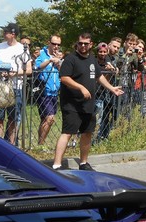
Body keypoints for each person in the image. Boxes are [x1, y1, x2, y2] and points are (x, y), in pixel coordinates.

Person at [52, 33, 123, 171]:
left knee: (87, 132)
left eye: (86, 43)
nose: (83, 46)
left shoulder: (91, 58)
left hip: (88, 104)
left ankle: (83, 163)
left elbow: (99, 76)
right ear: (77, 44)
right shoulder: (71, 59)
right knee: (67, 132)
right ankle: (56, 165)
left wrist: (112, 88)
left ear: (91, 44)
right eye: (80, 43)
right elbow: (64, 78)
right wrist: (80, 87)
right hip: (72, 103)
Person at [0, 23, 31, 145]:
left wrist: (14, 73)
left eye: (6, 32)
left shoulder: (22, 48)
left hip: (16, 87)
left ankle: (11, 144)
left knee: (13, 118)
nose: (4, 34)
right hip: (0, 87)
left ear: (13, 34)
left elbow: (28, 70)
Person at [34, 35, 63, 147]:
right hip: (44, 91)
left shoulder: (59, 56)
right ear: (49, 42)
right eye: (54, 43)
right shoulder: (42, 54)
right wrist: (50, 60)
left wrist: (58, 62)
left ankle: (40, 144)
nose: (56, 46)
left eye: (58, 44)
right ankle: (41, 144)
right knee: (50, 118)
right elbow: (38, 66)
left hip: (55, 92)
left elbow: (62, 72)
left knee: (45, 120)